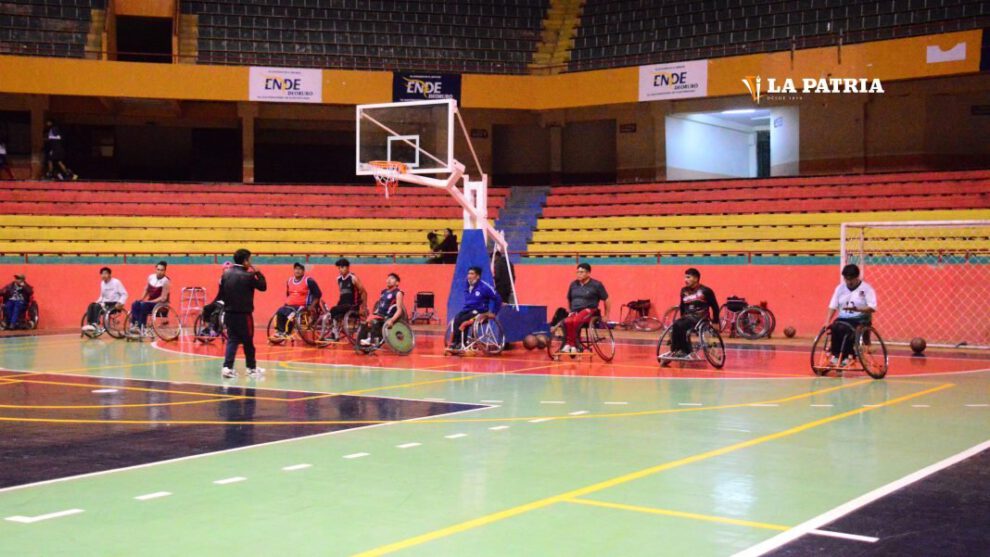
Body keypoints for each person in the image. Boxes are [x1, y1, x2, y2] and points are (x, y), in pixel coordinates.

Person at [218, 249, 267, 378]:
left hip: (229, 313)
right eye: (250, 259)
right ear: (245, 261)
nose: (251, 262)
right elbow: (263, 287)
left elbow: (221, 294)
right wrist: (258, 273)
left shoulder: (226, 274)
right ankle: (251, 368)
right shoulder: (249, 276)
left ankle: (227, 367)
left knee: (232, 340)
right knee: (248, 341)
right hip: (244, 315)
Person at [824, 263, 877, 366]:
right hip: (843, 318)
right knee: (835, 327)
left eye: (851, 279)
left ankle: (849, 356)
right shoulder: (840, 288)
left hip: (860, 318)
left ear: (857, 277)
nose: (849, 282)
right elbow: (833, 306)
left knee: (846, 330)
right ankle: (836, 356)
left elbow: (872, 307)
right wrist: (827, 321)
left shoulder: (867, 289)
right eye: (846, 279)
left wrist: (858, 309)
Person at [447, 266, 502, 351]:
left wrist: (494, 312)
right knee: (457, 319)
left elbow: (498, 298)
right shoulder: (467, 284)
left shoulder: (485, 287)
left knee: (464, 320)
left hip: (480, 311)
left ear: (478, 276)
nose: (469, 276)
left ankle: (462, 343)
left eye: (472, 274)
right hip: (467, 309)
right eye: (468, 273)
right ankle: (455, 342)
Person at [669, 268, 720, 358]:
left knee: (679, 325)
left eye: (688, 277)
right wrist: (682, 318)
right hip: (688, 318)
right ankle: (676, 350)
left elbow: (715, 307)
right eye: (685, 277)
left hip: (701, 319)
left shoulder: (706, 291)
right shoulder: (684, 291)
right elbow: (682, 306)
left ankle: (686, 351)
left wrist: (716, 321)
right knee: (676, 325)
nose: (685, 280)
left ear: (696, 279)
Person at [560, 263, 611, 353]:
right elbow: (569, 298)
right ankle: (569, 344)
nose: (579, 274)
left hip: (590, 310)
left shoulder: (597, 285)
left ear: (588, 273)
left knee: (576, 320)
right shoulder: (573, 284)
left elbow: (607, 300)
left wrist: (606, 315)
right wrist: (570, 310)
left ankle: (574, 344)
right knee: (567, 321)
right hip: (575, 311)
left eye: (582, 272)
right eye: (578, 272)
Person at [272, 262, 322, 340]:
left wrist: (311, 306)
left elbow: (318, 294)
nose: (297, 271)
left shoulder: (309, 281)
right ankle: (280, 331)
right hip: (290, 305)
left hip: (302, 306)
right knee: (280, 311)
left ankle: (287, 332)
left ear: (303, 271)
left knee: (291, 314)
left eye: (300, 269)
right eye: (296, 269)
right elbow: (288, 294)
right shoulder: (289, 280)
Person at [357, 273, 404, 347]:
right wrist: (373, 314)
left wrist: (392, 320)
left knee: (374, 322)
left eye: (392, 278)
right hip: (379, 315)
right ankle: (359, 344)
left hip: (388, 317)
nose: (389, 280)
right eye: (388, 278)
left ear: (397, 283)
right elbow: (380, 305)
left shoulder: (398, 293)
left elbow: (399, 310)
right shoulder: (383, 292)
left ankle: (373, 340)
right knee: (364, 323)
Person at [325, 258, 367, 341]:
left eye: (342, 267)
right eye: (339, 268)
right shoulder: (338, 279)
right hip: (343, 304)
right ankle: (335, 333)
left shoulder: (353, 278)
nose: (340, 269)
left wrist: (363, 307)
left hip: (353, 305)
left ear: (347, 267)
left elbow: (364, 292)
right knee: (333, 314)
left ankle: (334, 333)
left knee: (333, 310)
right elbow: (343, 294)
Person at [82, 267, 128, 333]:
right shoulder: (102, 283)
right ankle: (90, 324)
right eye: (102, 274)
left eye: (105, 273)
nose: (103, 275)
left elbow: (124, 294)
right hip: (105, 304)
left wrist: (120, 302)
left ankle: (95, 324)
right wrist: (96, 302)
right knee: (91, 305)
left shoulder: (116, 282)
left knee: (97, 306)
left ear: (110, 274)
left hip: (114, 304)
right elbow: (102, 296)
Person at [129, 261, 170, 334]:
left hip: (161, 304)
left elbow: (163, 298)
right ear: (155, 269)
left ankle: (141, 326)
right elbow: (146, 289)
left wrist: (150, 301)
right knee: (135, 304)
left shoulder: (166, 281)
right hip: (150, 303)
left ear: (164, 271)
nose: (159, 272)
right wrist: (142, 298)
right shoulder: (151, 277)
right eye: (158, 269)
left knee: (143, 305)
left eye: (162, 270)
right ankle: (135, 324)